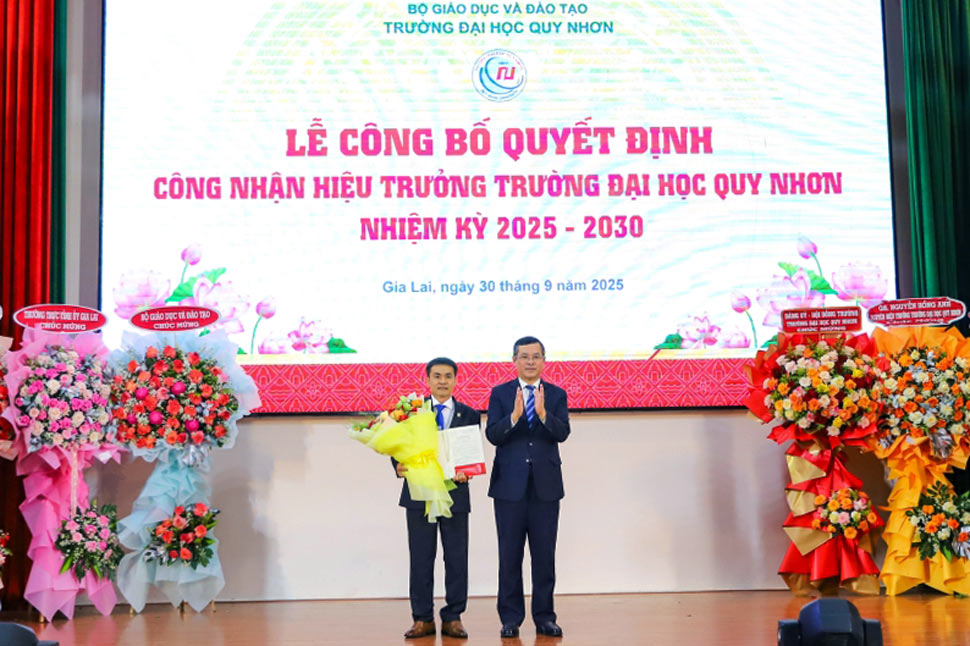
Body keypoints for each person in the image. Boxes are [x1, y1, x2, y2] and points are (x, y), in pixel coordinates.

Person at [485, 336, 570, 638]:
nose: (530, 361)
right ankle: (510, 618)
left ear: (544, 360)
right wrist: (514, 417)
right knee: (509, 555)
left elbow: (563, 433)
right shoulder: (500, 393)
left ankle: (545, 617)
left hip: (545, 488)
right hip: (509, 488)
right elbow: (493, 435)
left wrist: (544, 414)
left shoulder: (557, 394)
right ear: (514, 360)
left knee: (544, 556)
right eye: (524, 356)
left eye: (536, 356)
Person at [393, 357, 481, 640]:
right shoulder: (412, 411)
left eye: (448, 376)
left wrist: (467, 471)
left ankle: (453, 616)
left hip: (455, 494)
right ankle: (422, 619)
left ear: (456, 380)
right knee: (421, 558)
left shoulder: (469, 414)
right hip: (419, 493)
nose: (442, 381)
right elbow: (396, 443)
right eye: (437, 376)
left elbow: (470, 451)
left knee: (456, 558)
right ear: (428, 380)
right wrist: (397, 464)